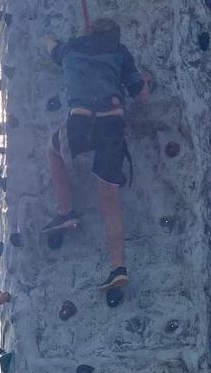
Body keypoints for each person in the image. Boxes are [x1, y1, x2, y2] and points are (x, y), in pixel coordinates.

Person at [42, 18, 150, 292]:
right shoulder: (120, 51)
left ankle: (66, 212)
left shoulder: (71, 49)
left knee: (53, 150)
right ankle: (118, 268)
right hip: (112, 124)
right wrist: (143, 79)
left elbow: (51, 46)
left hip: (80, 121)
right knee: (110, 200)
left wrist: (49, 37)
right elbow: (142, 96)